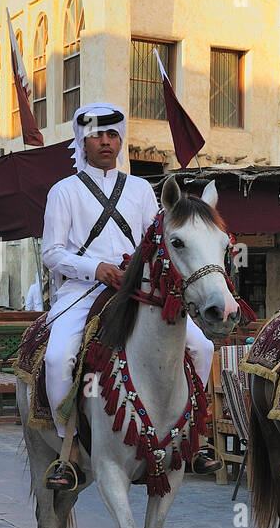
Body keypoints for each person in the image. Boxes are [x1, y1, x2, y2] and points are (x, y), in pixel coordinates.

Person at [40, 102, 219, 490]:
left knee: (203, 348)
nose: (105, 142)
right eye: (96, 136)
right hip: (82, 291)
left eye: (112, 135)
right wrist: (95, 268)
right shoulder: (64, 191)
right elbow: (51, 252)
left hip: (136, 290)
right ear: (82, 141)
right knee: (58, 358)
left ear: (120, 140)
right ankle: (66, 444)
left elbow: (152, 241)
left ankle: (194, 434)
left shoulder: (139, 188)